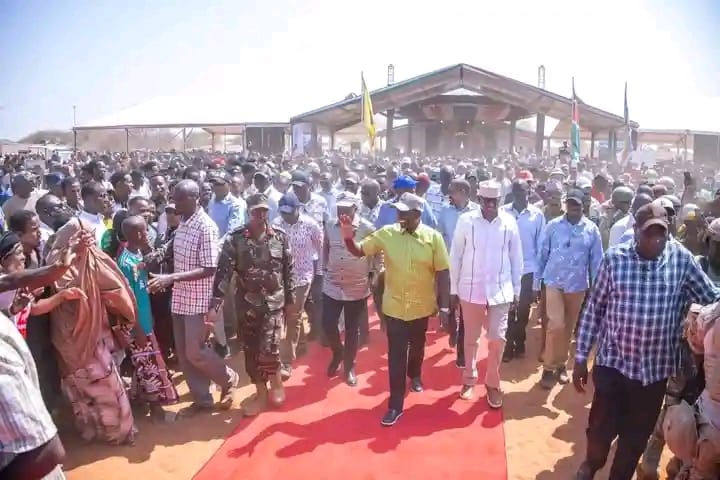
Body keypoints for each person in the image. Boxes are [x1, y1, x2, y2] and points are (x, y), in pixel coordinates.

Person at [573, 203, 720, 480]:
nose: (656, 240)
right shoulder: (614, 260)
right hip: (613, 365)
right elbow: (594, 310)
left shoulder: (681, 259)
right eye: (649, 233)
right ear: (636, 231)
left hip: (654, 373)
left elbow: (711, 296)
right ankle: (591, 465)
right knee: (600, 430)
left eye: (661, 233)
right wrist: (581, 357)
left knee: (635, 438)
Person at [340, 192, 450, 427]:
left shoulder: (433, 238)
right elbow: (359, 250)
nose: (399, 214)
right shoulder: (387, 233)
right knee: (396, 356)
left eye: (404, 212)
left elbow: (443, 272)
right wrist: (348, 236)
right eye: (398, 210)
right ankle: (395, 405)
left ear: (417, 214)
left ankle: (415, 373)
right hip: (394, 307)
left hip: (421, 307)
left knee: (417, 347)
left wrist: (444, 307)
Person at [148, 180, 239, 416]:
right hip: (180, 296)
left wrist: (171, 278)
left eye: (179, 198)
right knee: (184, 354)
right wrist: (158, 255)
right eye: (174, 197)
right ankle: (202, 399)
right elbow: (174, 243)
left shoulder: (206, 227)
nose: (174, 203)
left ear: (194, 198)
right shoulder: (184, 221)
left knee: (195, 351)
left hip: (198, 299)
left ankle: (228, 378)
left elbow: (209, 268)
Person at [46, 216, 139, 445]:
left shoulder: (53, 260)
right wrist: (127, 321)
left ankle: (91, 430)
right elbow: (119, 293)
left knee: (78, 386)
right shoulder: (92, 259)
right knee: (105, 385)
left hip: (65, 338)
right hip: (92, 337)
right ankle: (118, 431)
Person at [210, 193, 293, 416]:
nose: (261, 215)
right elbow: (223, 274)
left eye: (264, 211)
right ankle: (261, 392)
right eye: (256, 211)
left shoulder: (280, 237)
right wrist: (215, 305)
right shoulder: (235, 239)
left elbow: (288, 271)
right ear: (248, 212)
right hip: (247, 305)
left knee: (270, 347)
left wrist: (291, 303)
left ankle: (276, 384)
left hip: (274, 302)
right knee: (251, 351)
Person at [449, 180, 523, 409]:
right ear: (479, 199)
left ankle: (492, 383)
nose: (490, 205)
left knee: (497, 338)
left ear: (500, 200)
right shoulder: (466, 221)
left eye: (494, 201)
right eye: (486, 200)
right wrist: (453, 289)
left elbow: (516, 258)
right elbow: (455, 255)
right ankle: (469, 379)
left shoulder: (509, 222)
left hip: (501, 289)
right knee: (470, 339)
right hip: (471, 289)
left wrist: (517, 290)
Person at [535, 188, 603, 390]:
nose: (573, 207)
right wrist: (537, 283)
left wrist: (596, 288)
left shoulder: (591, 230)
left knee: (568, 328)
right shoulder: (553, 226)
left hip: (577, 286)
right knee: (555, 324)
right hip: (553, 282)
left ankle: (561, 365)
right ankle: (548, 368)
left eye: (577, 204)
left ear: (583, 206)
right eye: (570, 203)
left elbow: (596, 261)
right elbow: (542, 254)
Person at [117, 215, 179, 422]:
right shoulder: (126, 263)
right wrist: (137, 329)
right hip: (138, 325)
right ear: (136, 234)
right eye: (144, 231)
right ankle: (157, 412)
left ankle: (141, 402)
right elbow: (128, 299)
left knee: (144, 364)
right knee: (149, 366)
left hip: (145, 321)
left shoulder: (137, 256)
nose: (147, 234)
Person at [322, 191, 375, 387]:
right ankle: (338, 352)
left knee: (352, 330)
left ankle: (349, 365)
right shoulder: (330, 225)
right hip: (333, 283)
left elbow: (376, 253)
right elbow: (326, 246)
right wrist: (325, 266)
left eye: (346, 208)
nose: (342, 212)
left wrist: (374, 274)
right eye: (339, 208)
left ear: (355, 208)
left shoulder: (367, 228)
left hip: (356, 286)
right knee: (328, 324)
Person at [273, 192, 323, 379]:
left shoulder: (310, 225)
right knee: (291, 312)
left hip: (303, 275)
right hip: (281, 276)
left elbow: (321, 248)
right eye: (283, 212)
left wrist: (320, 273)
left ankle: (286, 361)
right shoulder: (276, 225)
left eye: (289, 212)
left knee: (292, 315)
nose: (286, 216)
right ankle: (300, 344)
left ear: (298, 209)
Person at [501, 179, 545, 362]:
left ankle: (520, 340)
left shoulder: (537, 215)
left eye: (523, 192)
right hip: (506, 270)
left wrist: (537, 282)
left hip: (528, 271)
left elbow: (540, 248)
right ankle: (508, 346)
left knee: (523, 310)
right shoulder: (502, 212)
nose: (520, 196)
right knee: (508, 310)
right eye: (517, 192)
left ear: (529, 192)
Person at [437, 178, 478, 366]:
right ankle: (452, 331)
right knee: (449, 304)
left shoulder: (477, 212)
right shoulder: (445, 211)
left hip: (470, 267)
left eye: (452, 191)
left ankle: (462, 353)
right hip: (448, 265)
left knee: (466, 311)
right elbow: (439, 235)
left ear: (462, 192)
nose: (449, 195)